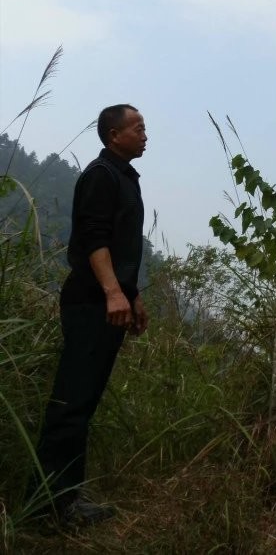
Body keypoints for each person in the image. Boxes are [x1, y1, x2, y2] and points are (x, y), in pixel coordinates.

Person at [29, 104, 149, 526]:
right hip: (90, 304)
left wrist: (132, 296)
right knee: (71, 403)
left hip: (107, 303)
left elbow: (121, 246)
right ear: (113, 135)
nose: (145, 134)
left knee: (82, 402)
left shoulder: (122, 177)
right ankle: (47, 508)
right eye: (137, 128)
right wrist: (113, 293)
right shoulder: (101, 176)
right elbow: (93, 238)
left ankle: (65, 498)